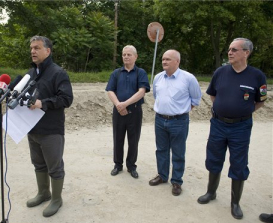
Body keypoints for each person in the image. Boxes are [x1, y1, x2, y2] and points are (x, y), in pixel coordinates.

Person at [197, 38, 267, 220]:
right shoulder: (220, 72)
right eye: (229, 49)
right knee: (213, 158)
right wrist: (224, 109)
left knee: (238, 163)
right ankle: (211, 192)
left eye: (234, 50)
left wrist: (242, 111)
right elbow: (213, 96)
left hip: (241, 127)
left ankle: (235, 203)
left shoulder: (257, 76)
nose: (230, 52)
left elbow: (261, 100)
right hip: (218, 124)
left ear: (246, 52)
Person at [25, 35, 73, 217]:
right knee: (38, 164)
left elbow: (66, 99)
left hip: (51, 130)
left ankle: (56, 199)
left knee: (54, 167)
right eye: (31, 48)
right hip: (32, 128)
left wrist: (42, 103)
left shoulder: (58, 73)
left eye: (37, 48)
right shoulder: (31, 74)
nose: (32, 51)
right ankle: (43, 193)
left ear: (48, 51)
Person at [149, 49, 202, 196]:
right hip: (159, 119)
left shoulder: (188, 78)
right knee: (161, 150)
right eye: (163, 59)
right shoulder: (158, 77)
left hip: (179, 121)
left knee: (178, 152)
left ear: (177, 61)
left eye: (168, 59)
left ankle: (177, 181)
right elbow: (156, 95)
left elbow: (196, 99)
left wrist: (180, 111)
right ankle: (162, 176)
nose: (164, 62)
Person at [105, 45, 150, 179]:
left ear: (135, 57)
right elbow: (110, 90)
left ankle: (131, 166)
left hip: (134, 112)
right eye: (124, 54)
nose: (126, 57)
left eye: (129, 55)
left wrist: (125, 104)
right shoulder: (116, 73)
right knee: (117, 139)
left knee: (133, 140)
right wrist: (119, 105)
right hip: (118, 112)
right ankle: (118, 165)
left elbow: (142, 91)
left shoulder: (140, 73)